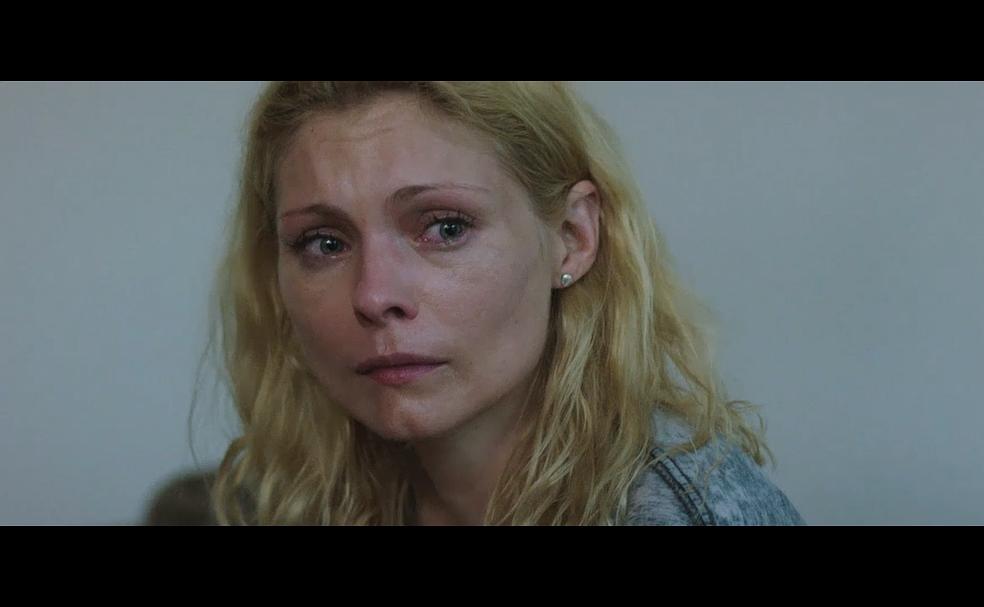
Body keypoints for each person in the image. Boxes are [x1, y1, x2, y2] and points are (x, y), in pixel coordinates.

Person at [205, 81, 804, 525]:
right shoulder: (292, 495)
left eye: (444, 228)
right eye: (325, 243)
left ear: (572, 237)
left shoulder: (677, 512)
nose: (374, 296)